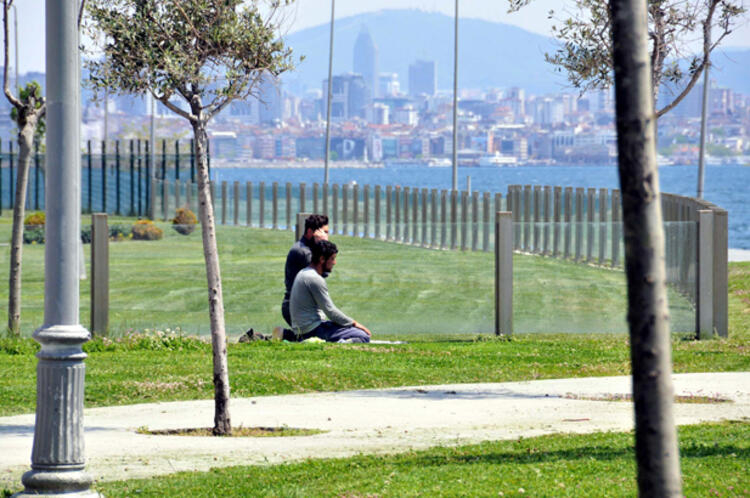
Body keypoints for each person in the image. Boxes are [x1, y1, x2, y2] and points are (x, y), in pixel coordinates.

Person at [289, 239, 371, 343]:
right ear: (322, 259)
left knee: (348, 329)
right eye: (332, 259)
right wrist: (354, 323)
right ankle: (339, 343)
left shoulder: (303, 272)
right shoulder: (314, 278)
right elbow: (330, 311)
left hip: (303, 329)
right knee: (363, 336)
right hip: (312, 330)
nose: (334, 263)